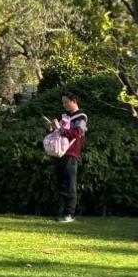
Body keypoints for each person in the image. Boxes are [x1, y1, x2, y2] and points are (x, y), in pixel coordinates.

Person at [48, 91, 87, 223]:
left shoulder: (80, 117)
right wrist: (51, 128)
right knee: (62, 184)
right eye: (63, 102)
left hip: (71, 153)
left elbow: (77, 132)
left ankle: (69, 214)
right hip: (60, 152)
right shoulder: (65, 116)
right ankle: (63, 212)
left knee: (70, 184)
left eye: (66, 102)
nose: (64, 105)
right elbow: (57, 132)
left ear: (74, 101)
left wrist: (61, 129)